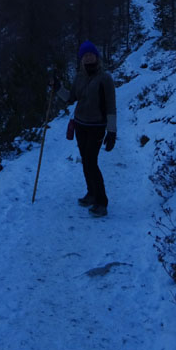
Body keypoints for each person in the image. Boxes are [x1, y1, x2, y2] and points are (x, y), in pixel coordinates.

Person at [66, 40, 117, 217]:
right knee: (85, 161)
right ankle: (91, 193)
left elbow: (111, 106)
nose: (88, 58)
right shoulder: (79, 77)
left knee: (91, 162)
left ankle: (101, 202)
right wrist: (56, 88)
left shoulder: (105, 79)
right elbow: (70, 98)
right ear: (81, 59)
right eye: (85, 55)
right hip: (80, 124)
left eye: (91, 54)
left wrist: (112, 131)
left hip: (97, 126)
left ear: (96, 56)